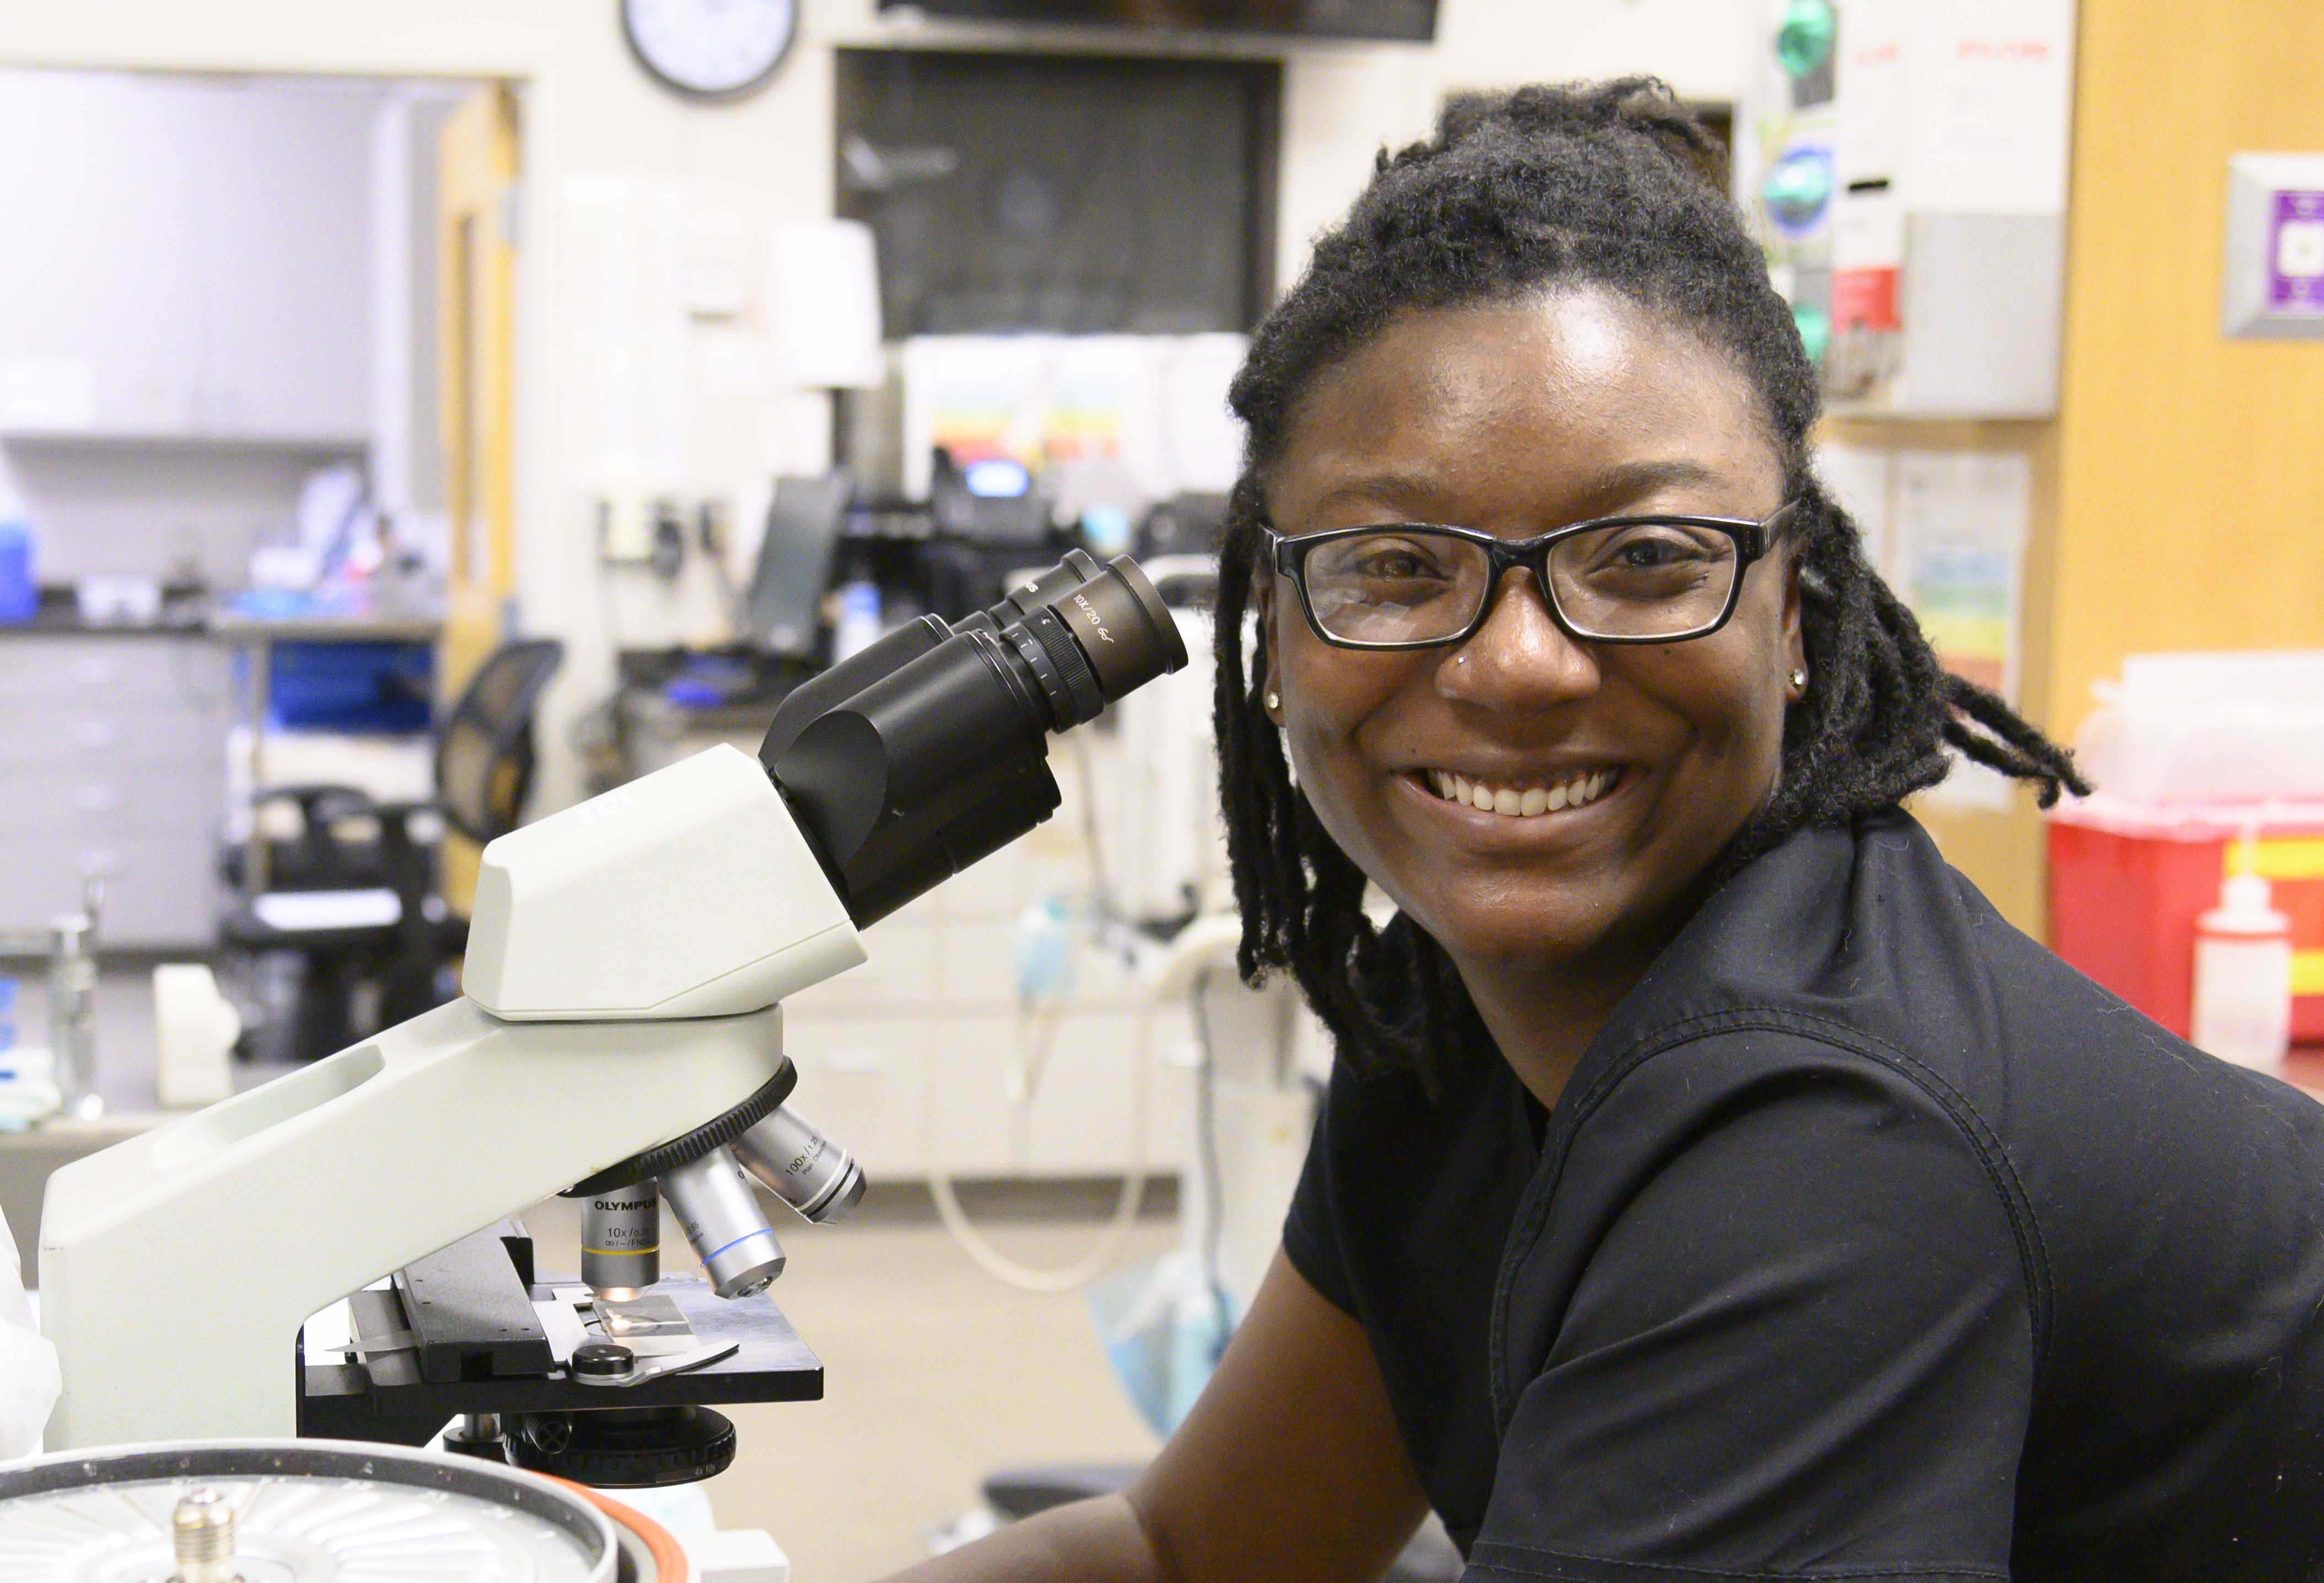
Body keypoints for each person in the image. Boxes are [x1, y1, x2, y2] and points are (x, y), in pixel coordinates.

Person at [885, 80, 2324, 1583]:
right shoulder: (1444, 1031)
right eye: (1394, 564)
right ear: (1273, 632)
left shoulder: (1829, 1156)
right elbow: (1184, 1549)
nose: (1518, 665)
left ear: (1796, 621)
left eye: (1646, 558)